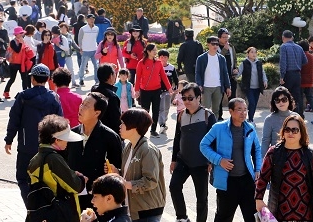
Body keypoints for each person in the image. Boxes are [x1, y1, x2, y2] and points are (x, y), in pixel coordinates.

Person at [4, 63, 63, 203]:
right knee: (45, 179)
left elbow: (14, 120)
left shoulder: (23, 97)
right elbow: (61, 124)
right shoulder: (54, 98)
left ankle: (32, 207)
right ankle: (44, 208)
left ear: (32, 79)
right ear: (47, 78)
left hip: (26, 146)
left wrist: (9, 140)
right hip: (48, 148)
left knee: (23, 178)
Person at [199, 98, 261, 222]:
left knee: (252, 217)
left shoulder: (250, 128)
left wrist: (258, 169)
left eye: (245, 110)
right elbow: (203, 145)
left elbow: (257, 150)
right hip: (227, 182)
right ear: (231, 111)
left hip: (247, 180)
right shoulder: (218, 127)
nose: (243, 113)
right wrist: (219, 160)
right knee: (223, 217)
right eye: (239, 110)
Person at [255, 115, 313, 221]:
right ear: (283, 132)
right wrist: (258, 198)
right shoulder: (273, 153)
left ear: (301, 132)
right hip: (279, 211)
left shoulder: (309, 154)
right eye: (287, 129)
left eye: (295, 130)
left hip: (305, 212)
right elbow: (263, 178)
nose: (290, 133)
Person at [68, 92, 122, 212]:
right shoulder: (71, 134)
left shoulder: (110, 137)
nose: (81, 108)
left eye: (86, 106)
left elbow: (117, 169)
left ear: (97, 113)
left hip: (97, 201)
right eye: (82, 104)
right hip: (71, 197)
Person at [170, 83, 216, 222]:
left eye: (190, 98)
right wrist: (173, 160)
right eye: (184, 98)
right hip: (183, 160)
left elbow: (215, 141)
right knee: (174, 187)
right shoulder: (180, 115)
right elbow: (177, 138)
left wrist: (211, 161)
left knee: (201, 198)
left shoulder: (208, 115)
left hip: (201, 162)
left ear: (199, 97)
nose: (187, 101)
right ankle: (182, 217)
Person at [27, 114, 86, 221]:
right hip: (60, 213)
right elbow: (75, 186)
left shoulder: (34, 160)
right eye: (65, 139)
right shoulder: (54, 159)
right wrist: (80, 178)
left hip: (43, 213)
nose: (67, 142)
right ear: (56, 140)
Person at [112, 108, 167, 222]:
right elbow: (130, 175)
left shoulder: (148, 150)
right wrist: (117, 173)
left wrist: (125, 184)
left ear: (134, 127)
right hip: (135, 208)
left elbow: (150, 181)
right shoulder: (128, 147)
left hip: (147, 210)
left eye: (123, 123)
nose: (120, 126)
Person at [134, 44, 173, 137]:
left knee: (156, 111)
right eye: (154, 50)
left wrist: (169, 87)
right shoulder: (141, 63)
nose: (156, 52)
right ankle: (142, 130)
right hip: (145, 91)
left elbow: (163, 76)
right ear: (148, 51)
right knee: (145, 112)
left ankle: (153, 130)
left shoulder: (158, 63)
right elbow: (138, 77)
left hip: (156, 90)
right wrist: (137, 90)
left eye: (156, 50)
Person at [195, 36, 231, 118]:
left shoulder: (221, 58)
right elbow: (198, 73)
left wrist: (228, 87)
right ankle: (205, 127)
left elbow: (225, 73)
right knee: (205, 109)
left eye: (217, 44)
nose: (215, 46)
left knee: (216, 110)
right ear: (208, 44)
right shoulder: (201, 58)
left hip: (218, 87)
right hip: (206, 87)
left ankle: (215, 127)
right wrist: (199, 84)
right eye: (213, 44)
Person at [261, 87, 298, 159]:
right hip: (277, 158)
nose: (281, 103)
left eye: (284, 100)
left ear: (289, 100)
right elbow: (265, 141)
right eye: (277, 100)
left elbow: (302, 138)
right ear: (274, 103)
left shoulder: (296, 117)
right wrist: (263, 161)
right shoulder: (269, 119)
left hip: (295, 156)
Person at [279, 30, 307, 117]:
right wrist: (297, 64)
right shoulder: (299, 47)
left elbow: (283, 63)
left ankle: (286, 115)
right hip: (297, 74)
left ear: (283, 38)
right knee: (296, 96)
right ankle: (298, 115)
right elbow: (305, 61)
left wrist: (282, 76)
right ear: (292, 37)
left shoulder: (284, 47)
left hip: (288, 74)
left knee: (285, 95)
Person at [236, 46, 267, 124]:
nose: (254, 54)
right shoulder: (244, 63)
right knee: (252, 102)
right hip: (248, 87)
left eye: (255, 52)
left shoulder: (259, 63)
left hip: (257, 87)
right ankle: (249, 119)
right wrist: (235, 74)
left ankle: (250, 119)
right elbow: (238, 73)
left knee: (254, 104)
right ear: (248, 54)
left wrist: (265, 80)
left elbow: (262, 73)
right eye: (252, 52)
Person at [91, 63, 123, 135]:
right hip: (109, 134)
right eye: (114, 74)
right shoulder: (112, 97)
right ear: (111, 76)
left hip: (95, 131)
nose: (116, 76)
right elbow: (116, 120)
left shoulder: (94, 89)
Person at [217, 28, 238, 119]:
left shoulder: (231, 47)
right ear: (219, 38)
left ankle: (234, 116)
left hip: (231, 76)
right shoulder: (216, 47)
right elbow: (217, 59)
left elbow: (235, 60)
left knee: (232, 98)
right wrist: (224, 50)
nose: (226, 39)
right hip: (220, 77)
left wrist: (236, 68)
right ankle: (219, 117)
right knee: (219, 99)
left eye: (227, 37)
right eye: (224, 37)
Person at [157, 49, 178, 134]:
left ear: (168, 58)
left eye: (165, 57)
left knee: (166, 108)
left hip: (168, 91)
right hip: (158, 90)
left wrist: (175, 88)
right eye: (161, 57)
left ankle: (164, 121)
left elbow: (175, 79)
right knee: (161, 108)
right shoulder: (157, 66)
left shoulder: (171, 68)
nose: (163, 59)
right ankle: (161, 124)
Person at [298, 40, 313, 123]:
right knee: (310, 97)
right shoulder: (311, 57)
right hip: (310, 80)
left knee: (300, 98)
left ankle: (301, 115)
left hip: (301, 80)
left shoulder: (300, 57)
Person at [78, 14, 100, 87]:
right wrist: (80, 48)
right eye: (90, 19)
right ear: (87, 20)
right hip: (85, 50)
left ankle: (96, 80)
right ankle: (81, 79)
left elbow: (95, 38)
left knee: (96, 66)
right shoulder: (83, 29)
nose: (92, 20)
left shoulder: (96, 28)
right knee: (83, 66)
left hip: (94, 49)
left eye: (93, 18)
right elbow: (80, 39)